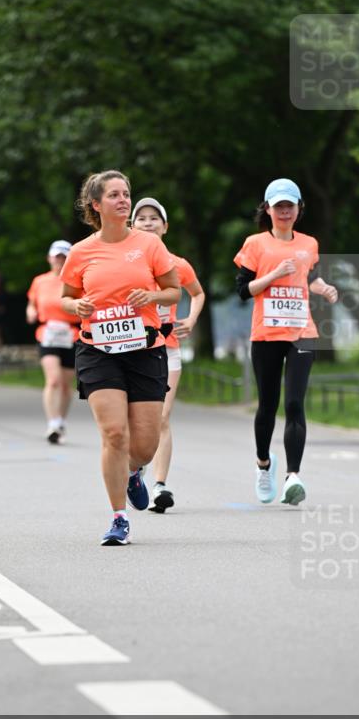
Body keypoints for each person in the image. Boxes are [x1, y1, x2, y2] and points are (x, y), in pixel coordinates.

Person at [60, 170, 180, 546]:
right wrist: (75, 304)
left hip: (144, 350)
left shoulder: (148, 245)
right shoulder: (81, 252)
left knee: (143, 445)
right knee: (114, 434)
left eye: (126, 194)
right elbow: (64, 296)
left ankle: (132, 472)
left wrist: (152, 298)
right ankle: (118, 518)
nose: (124, 200)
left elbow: (174, 291)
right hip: (97, 350)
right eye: (114, 195)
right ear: (96, 205)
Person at [234, 178, 338, 505]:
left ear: (298, 209)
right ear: (267, 209)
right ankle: (264, 465)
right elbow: (243, 290)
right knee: (268, 404)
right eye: (278, 206)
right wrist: (274, 274)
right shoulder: (255, 244)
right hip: (266, 333)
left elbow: (309, 274)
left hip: (301, 332)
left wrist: (322, 287)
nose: (284, 211)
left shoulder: (309, 244)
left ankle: (293, 476)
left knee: (294, 403)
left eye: (289, 206)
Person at [130, 197, 205, 513]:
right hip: (132, 350)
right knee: (135, 420)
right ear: (132, 226)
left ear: (165, 226)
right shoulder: (128, 264)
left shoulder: (178, 264)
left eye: (154, 218)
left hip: (168, 348)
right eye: (142, 219)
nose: (148, 223)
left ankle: (160, 485)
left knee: (161, 416)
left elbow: (197, 293)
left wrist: (190, 318)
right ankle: (136, 468)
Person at [26, 240, 80, 443]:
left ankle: (60, 421)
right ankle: (52, 422)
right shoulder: (39, 281)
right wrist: (31, 313)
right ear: (49, 258)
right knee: (54, 379)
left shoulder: (76, 281)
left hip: (71, 334)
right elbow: (31, 304)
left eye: (64, 258)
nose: (59, 261)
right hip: (47, 333)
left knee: (66, 385)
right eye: (56, 257)